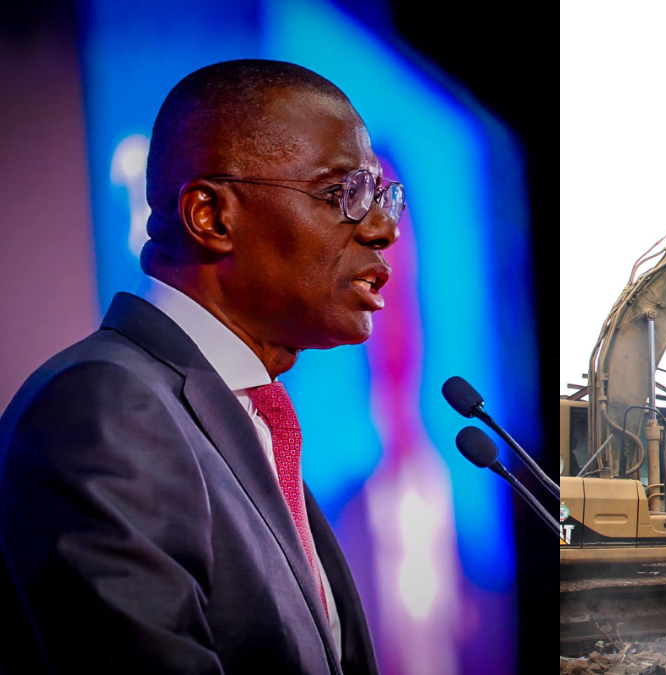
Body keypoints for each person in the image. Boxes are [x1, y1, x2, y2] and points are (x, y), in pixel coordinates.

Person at [0, 60, 399, 673]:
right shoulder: (104, 407)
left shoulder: (241, 417)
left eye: (380, 197)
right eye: (342, 194)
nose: (382, 229)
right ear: (211, 216)